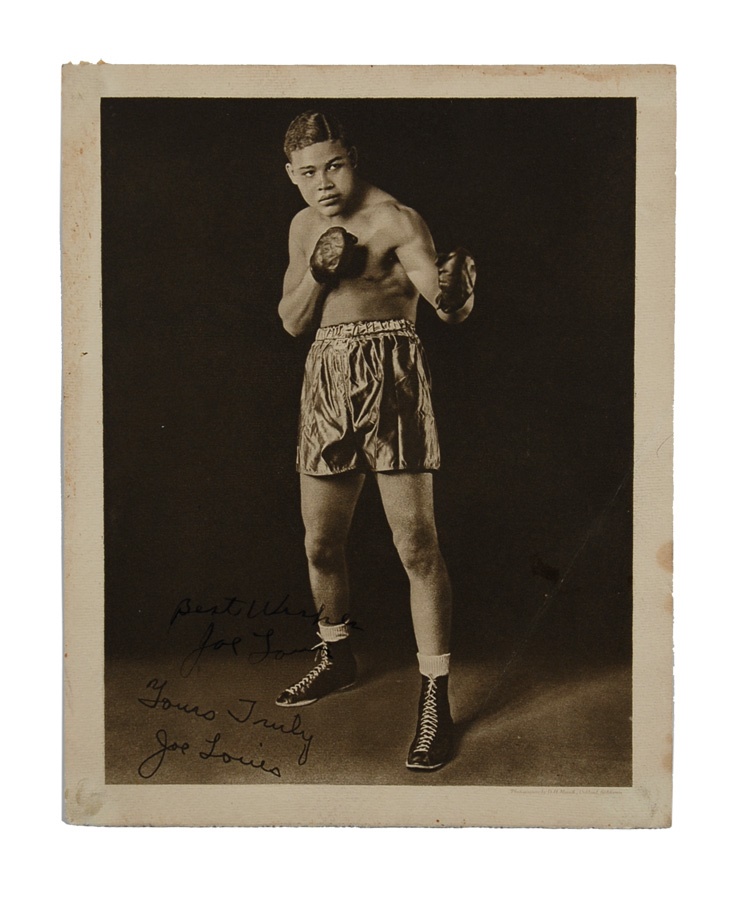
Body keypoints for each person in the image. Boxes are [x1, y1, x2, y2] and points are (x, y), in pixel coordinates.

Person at [276, 110, 475, 771]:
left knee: (415, 546)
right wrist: (317, 269)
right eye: (308, 172)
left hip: (391, 375)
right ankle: (335, 653)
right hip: (326, 379)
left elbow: (442, 305)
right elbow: (290, 320)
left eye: (333, 165)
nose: (323, 183)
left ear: (352, 160)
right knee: (319, 542)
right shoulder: (303, 224)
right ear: (292, 177)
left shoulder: (397, 218)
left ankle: (434, 698)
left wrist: (456, 292)